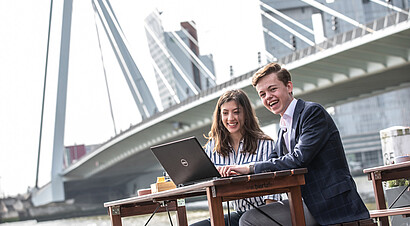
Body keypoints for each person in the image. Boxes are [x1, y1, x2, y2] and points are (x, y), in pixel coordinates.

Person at [218, 63, 370, 226]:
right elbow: (272, 161)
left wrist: (249, 168)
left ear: (289, 86)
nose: (268, 97)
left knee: (250, 219)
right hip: (305, 201)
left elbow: (298, 159)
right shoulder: (283, 127)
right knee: (244, 217)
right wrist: (237, 173)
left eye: (272, 89)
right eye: (262, 94)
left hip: (330, 203)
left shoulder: (312, 113)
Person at [191, 89, 281, 226]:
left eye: (236, 112)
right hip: (238, 214)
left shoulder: (264, 144)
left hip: (263, 211)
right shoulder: (213, 147)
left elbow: (272, 192)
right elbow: (202, 181)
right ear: (220, 117)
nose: (230, 118)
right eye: (225, 113)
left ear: (246, 114)